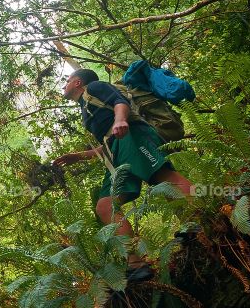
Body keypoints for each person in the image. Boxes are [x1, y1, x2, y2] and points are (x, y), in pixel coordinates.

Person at [52, 69, 194, 280]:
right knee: (105, 206)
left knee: (162, 176)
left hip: (132, 136)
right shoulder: (85, 106)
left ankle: (201, 219)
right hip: (115, 150)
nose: (64, 84)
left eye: (67, 80)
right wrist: (79, 156)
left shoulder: (94, 88)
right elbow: (107, 142)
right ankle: (136, 265)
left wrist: (121, 120)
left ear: (78, 82)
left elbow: (121, 103)